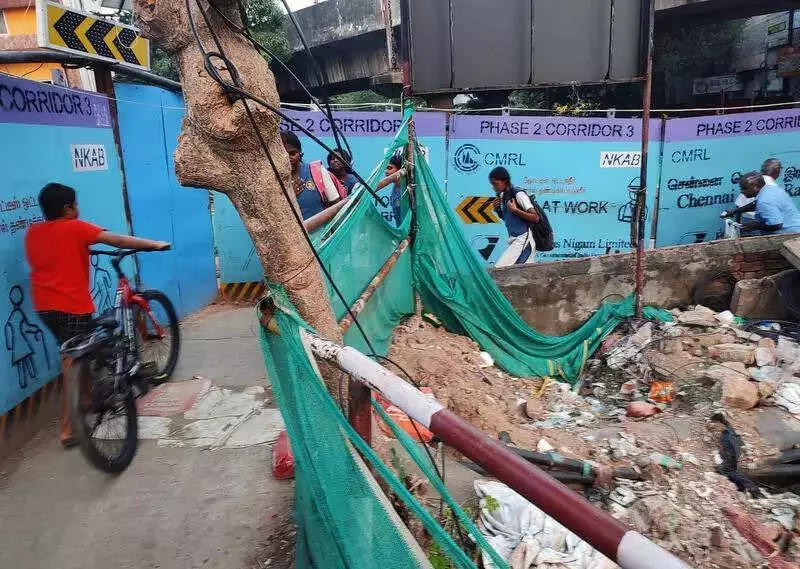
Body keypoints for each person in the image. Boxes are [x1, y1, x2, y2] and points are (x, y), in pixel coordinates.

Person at [25, 182, 170, 448]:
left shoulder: (33, 233)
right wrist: (153, 244)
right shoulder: (75, 228)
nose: (78, 209)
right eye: (75, 204)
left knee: (74, 350)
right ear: (67, 208)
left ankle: (89, 399)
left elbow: (55, 254)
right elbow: (116, 239)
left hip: (44, 307)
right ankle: (69, 429)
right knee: (74, 357)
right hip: (71, 305)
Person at [281, 131, 346, 220]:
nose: (288, 158)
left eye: (292, 154)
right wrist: (291, 197)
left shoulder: (317, 171)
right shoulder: (272, 182)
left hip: (324, 232)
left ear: (300, 153)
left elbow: (337, 206)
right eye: (282, 154)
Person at [489, 167, 540, 267]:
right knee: (515, 275)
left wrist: (515, 210)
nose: (494, 187)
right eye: (492, 184)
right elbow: (511, 220)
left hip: (524, 240)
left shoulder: (519, 194)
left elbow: (535, 217)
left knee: (500, 269)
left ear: (505, 181)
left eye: (495, 183)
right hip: (515, 240)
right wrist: (498, 210)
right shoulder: (504, 196)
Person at [722, 172, 800, 235]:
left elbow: (777, 225)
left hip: (788, 234)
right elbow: (755, 204)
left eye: (744, 188)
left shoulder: (764, 200)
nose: (742, 191)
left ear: (755, 187)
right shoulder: (769, 189)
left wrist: (756, 226)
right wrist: (735, 211)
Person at [376, 155, 406, 225]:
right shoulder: (395, 187)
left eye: (390, 168)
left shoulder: (406, 190)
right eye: (386, 168)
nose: (386, 171)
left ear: (400, 170)